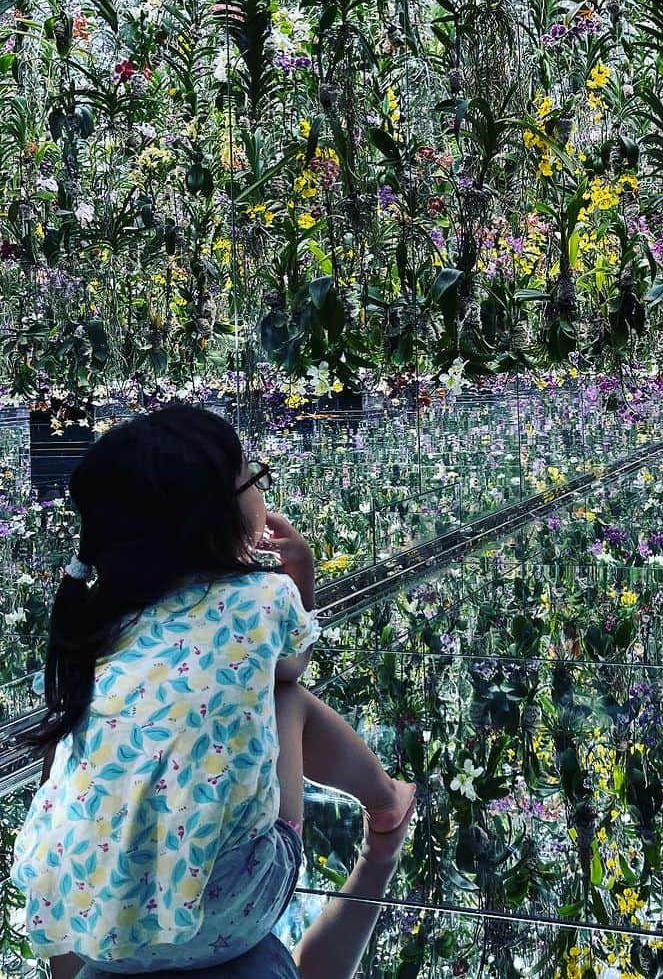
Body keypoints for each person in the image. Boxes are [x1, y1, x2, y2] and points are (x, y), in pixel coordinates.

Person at [11, 404, 416, 978]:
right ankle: (384, 801)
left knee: (72, 738)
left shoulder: (100, 623)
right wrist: (300, 579)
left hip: (83, 917)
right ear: (215, 517)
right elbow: (289, 666)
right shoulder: (264, 598)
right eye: (253, 478)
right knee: (287, 702)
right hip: (227, 912)